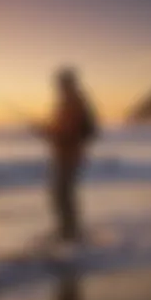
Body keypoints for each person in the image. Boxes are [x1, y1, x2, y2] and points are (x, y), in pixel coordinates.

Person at [35, 68, 98, 243]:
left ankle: (69, 232)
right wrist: (47, 131)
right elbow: (60, 129)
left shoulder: (73, 103)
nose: (57, 86)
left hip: (68, 155)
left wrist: (46, 132)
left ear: (66, 83)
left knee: (62, 194)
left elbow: (66, 132)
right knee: (63, 194)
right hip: (67, 154)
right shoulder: (71, 101)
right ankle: (68, 230)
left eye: (60, 83)